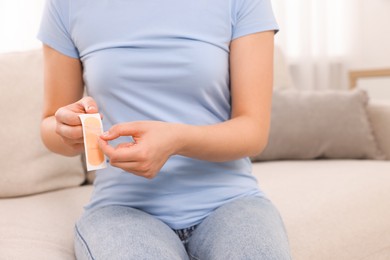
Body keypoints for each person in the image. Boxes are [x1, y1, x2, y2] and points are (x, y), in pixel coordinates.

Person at [38, 0, 291, 259]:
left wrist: (177, 140)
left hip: (231, 202)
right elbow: (50, 123)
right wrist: (66, 130)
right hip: (122, 209)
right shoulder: (66, 5)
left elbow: (253, 131)